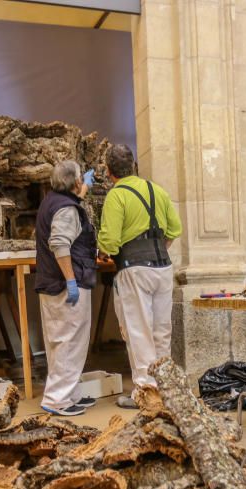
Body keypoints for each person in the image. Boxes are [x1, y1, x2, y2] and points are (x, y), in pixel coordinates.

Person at [98, 144, 182, 408]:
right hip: (163, 268)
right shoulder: (157, 190)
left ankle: (146, 393)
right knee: (161, 331)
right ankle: (166, 390)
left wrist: (102, 251)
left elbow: (110, 242)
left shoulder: (116, 195)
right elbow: (174, 230)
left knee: (139, 332)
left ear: (109, 171)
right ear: (134, 165)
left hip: (134, 269)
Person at [34, 160, 98, 417]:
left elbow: (67, 216)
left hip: (51, 283)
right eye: (81, 178)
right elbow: (60, 243)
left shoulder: (52, 201)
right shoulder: (66, 209)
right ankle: (57, 399)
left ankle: (68, 394)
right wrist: (71, 280)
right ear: (75, 181)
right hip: (66, 284)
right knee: (69, 341)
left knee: (60, 340)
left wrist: (82, 193)